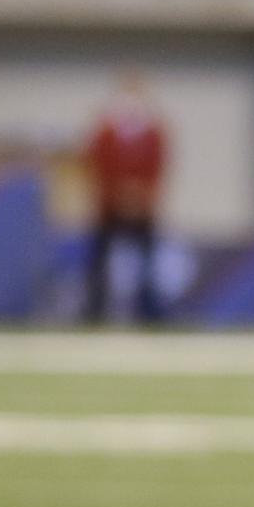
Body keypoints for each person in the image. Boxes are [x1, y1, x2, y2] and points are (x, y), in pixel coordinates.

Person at [82, 70, 169, 323]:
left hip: (142, 206)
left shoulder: (153, 132)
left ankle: (149, 312)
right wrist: (116, 195)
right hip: (110, 206)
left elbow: (158, 167)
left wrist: (141, 196)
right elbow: (98, 166)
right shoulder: (106, 132)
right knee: (99, 260)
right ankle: (94, 312)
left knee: (148, 261)